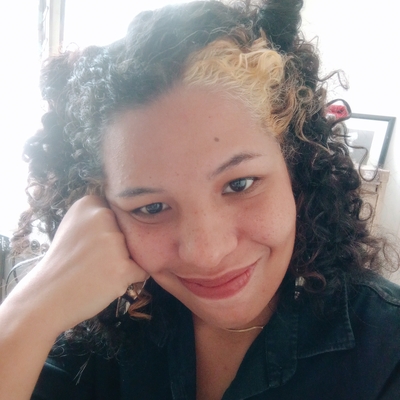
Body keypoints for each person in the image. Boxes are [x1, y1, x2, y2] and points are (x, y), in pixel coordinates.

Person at [0, 0, 399, 399]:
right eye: (151, 208)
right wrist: (30, 312)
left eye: (240, 184)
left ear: (297, 168)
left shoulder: (386, 353)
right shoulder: (105, 335)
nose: (207, 254)